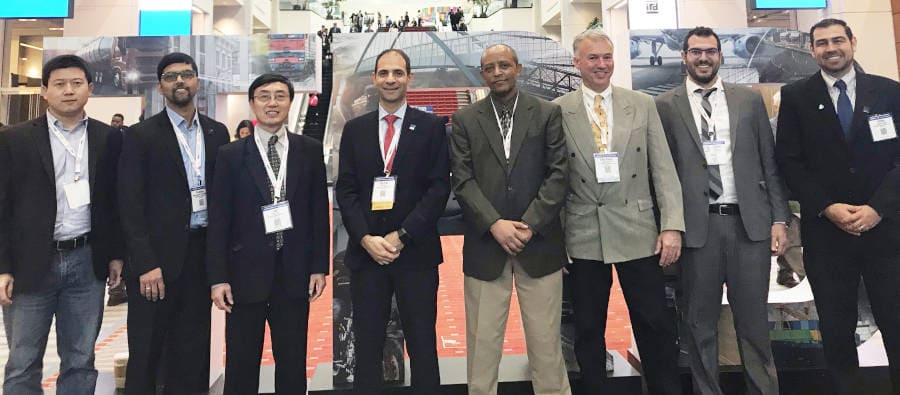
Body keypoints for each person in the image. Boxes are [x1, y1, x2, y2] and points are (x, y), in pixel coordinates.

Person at [655, 26, 789, 395]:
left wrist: (780, 218)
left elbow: (769, 164)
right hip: (698, 231)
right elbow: (660, 173)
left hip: (750, 228)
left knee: (753, 326)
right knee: (700, 327)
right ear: (684, 56)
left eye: (710, 51)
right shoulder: (665, 106)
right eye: (696, 51)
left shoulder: (748, 101)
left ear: (720, 55)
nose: (703, 57)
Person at [554, 29, 683, 395]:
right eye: (593, 58)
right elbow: (554, 180)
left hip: (639, 229)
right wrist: (556, 237)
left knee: (655, 324)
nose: (602, 65)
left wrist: (671, 225)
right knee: (589, 329)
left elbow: (663, 169)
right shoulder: (558, 111)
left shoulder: (641, 104)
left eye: (607, 57)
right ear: (577, 63)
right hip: (583, 233)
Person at [775, 18, 900, 394]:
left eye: (838, 40)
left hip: (886, 232)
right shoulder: (796, 97)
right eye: (822, 43)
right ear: (812, 50)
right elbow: (790, 162)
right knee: (836, 329)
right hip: (828, 236)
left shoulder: (889, 92)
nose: (831, 48)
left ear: (853, 43)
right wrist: (827, 206)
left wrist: (877, 207)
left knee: (896, 322)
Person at [450, 44, 571, 395]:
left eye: (504, 65)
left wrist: (529, 224)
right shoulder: (465, 120)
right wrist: (495, 224)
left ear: (518, 68)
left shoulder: (547, 113)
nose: (498, 72)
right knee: (482, 347)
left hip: (540, 246)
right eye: (490, 67)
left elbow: (558, 174)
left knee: (547, 347)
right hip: (487, 246)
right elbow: (462, 179)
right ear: (482, 73)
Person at [0, 54, 123, 394]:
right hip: (31, 262)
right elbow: (3, 206)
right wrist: (3, 266)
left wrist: (114, 255)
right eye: (59, 84)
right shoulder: (15, 139)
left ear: (90, 89)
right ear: (44, 91)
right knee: (23, 361)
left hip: (86, 261)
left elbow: (112, 204)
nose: (69, 91)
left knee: (81, 359)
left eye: (76, 83)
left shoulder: (108, 138)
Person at [335, 49, 449, 394]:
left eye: (398, 73)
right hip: (367, 255)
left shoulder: (431, 127)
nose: (390, 79)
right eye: (384, 73)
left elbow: (439, 187)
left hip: (416, 254)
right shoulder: (354, 130)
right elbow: (347, 190)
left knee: (422, 343)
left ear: (409, 78)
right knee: (368, 343)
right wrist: (366, 238)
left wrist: (402, 235)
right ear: (374, 78)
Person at [207, 73, 328, 394]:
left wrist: (319, 267)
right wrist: (218, 277)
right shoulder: (230, 155)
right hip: (243, 274)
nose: (272, 103)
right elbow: (219, 219)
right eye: (263, 96)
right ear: (252, 104)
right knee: (241, 363)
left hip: (294, 273)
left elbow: (318, 212)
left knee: (292, 362)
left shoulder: (309, 150)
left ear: (290, 102)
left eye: (279, 96)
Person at [118, 52, 230, 394]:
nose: (179, 81)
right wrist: (146, 263)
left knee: (193, 349)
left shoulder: (217, 133)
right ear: (161, 86)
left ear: (197, 81)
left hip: (201, 256)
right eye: (170, 76)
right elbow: (129, 203)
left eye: (186, 74)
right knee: (147, 349)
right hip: (157, 263)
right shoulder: (141, 135)